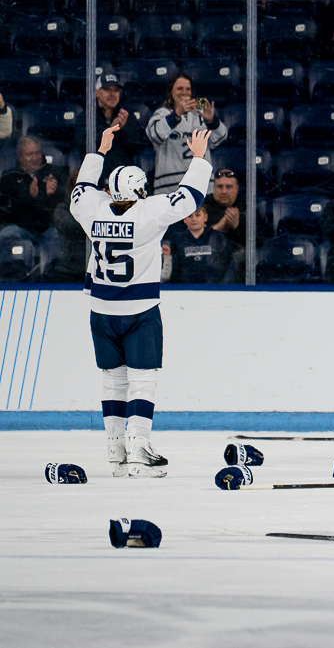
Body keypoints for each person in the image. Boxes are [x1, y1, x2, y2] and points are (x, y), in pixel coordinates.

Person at [70, 125, 212, 478]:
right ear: (138, 190)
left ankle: (116, 452)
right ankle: (139, 449)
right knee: (143, 379)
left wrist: (99, 153)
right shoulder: (149, 212)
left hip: (101, 310)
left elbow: (81, 189)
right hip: (139, 310)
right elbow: (191, 196)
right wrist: (197, 157)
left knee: (112, 380)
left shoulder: (92, 208)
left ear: (110, 190)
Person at [146, 73, 227, 195]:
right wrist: (176, 115)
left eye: (187, 89)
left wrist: (212, 121)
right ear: (171, 92)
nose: (184, 92)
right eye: (179, 88)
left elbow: (219, 138)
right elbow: (155, 135)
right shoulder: (161, 114)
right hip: (169, 187)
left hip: (201, 186)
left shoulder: (201, 114)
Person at [0, 136, 66, 242]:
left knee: (58, 235)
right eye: (29, 154)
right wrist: (29, 195)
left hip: (47, 228)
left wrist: (52, 194)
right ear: (20, 157)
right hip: (21, 228)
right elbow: (6, 212)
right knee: (6, 234)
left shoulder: (55, 173)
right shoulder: (9, 177)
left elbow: (65, 203)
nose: (35, 157)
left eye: (37, 153)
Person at [93, 74, 146, 186]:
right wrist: (110, 129)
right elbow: (82, 145)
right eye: (107, 90)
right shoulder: (88, 117)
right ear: (97, 93)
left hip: (123, 182)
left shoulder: (127, 116)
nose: (112, 94)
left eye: (116, 90)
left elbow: (138, 147)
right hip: (96, 180)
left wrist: (125, 128)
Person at [162, 206, 235, 284]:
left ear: (205, 217)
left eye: (198, 215)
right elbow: (174, 268)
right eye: (189, 216)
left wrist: (224, 288)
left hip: (214, 288)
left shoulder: (217, 237)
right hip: (184, 289)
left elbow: (228, 264)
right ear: (184, 219)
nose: (194, 219)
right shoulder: (177, 239)